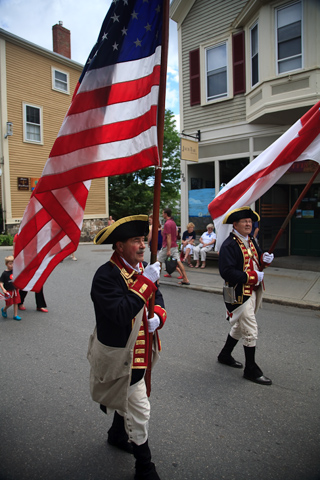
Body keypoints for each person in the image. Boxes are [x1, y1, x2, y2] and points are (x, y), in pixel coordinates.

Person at [90, 214, 167, 480]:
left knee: (129, 396)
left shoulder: (141, 269)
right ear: (119, 246)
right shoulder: (105, 276)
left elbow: (158, 299)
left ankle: (116, 434)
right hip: (121, 356)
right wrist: (146, 282)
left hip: (144, 353)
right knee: (140, 409)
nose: (143, 245)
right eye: (136, 240)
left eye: (143, 239)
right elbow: (122, 313)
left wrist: (158, 315)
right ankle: (145, 467)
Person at [217, 207, 274, 386]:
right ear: (235, 224)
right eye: (245, 221)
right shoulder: (229, 245)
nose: (249, 224)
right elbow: (226, 272)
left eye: (250, 221)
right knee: (250, 328)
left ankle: (225, 354)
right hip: (238, 293)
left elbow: (256, 260)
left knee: (240, 325)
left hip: (254, 290)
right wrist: (252, 276)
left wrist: (265, 259)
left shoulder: (251, 239)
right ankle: (251, 368)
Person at [12, 233, 48, 313]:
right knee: (26, 282)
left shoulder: (35, 233)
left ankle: (40, 305)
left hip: (35, 260)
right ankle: (20, 302)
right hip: (25, 262)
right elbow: (14, 251)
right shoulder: (18, 236)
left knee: (39, 281)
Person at [157, 208, 190, 285]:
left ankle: (156, 281)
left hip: (167, 246)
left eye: (162, 213)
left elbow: (168, 236)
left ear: (166, 214)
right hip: (174, 245)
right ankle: (185, 279)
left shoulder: (167, 224)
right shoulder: (173, 223)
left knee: (159, 262)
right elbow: (175, 233)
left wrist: (168, 250)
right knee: (178, 261)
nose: (162, 215)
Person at [0, 255, 22, 321]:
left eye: (13, 263)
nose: (12, 265)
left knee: (16, 302)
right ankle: (4, 309)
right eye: (10, 264)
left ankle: (15, 315)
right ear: (6, 264)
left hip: (15, 290)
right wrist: (3, 289)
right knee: (9, 303)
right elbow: (1, 282)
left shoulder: (15, 271)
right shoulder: (4, 273)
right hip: (8, 291)